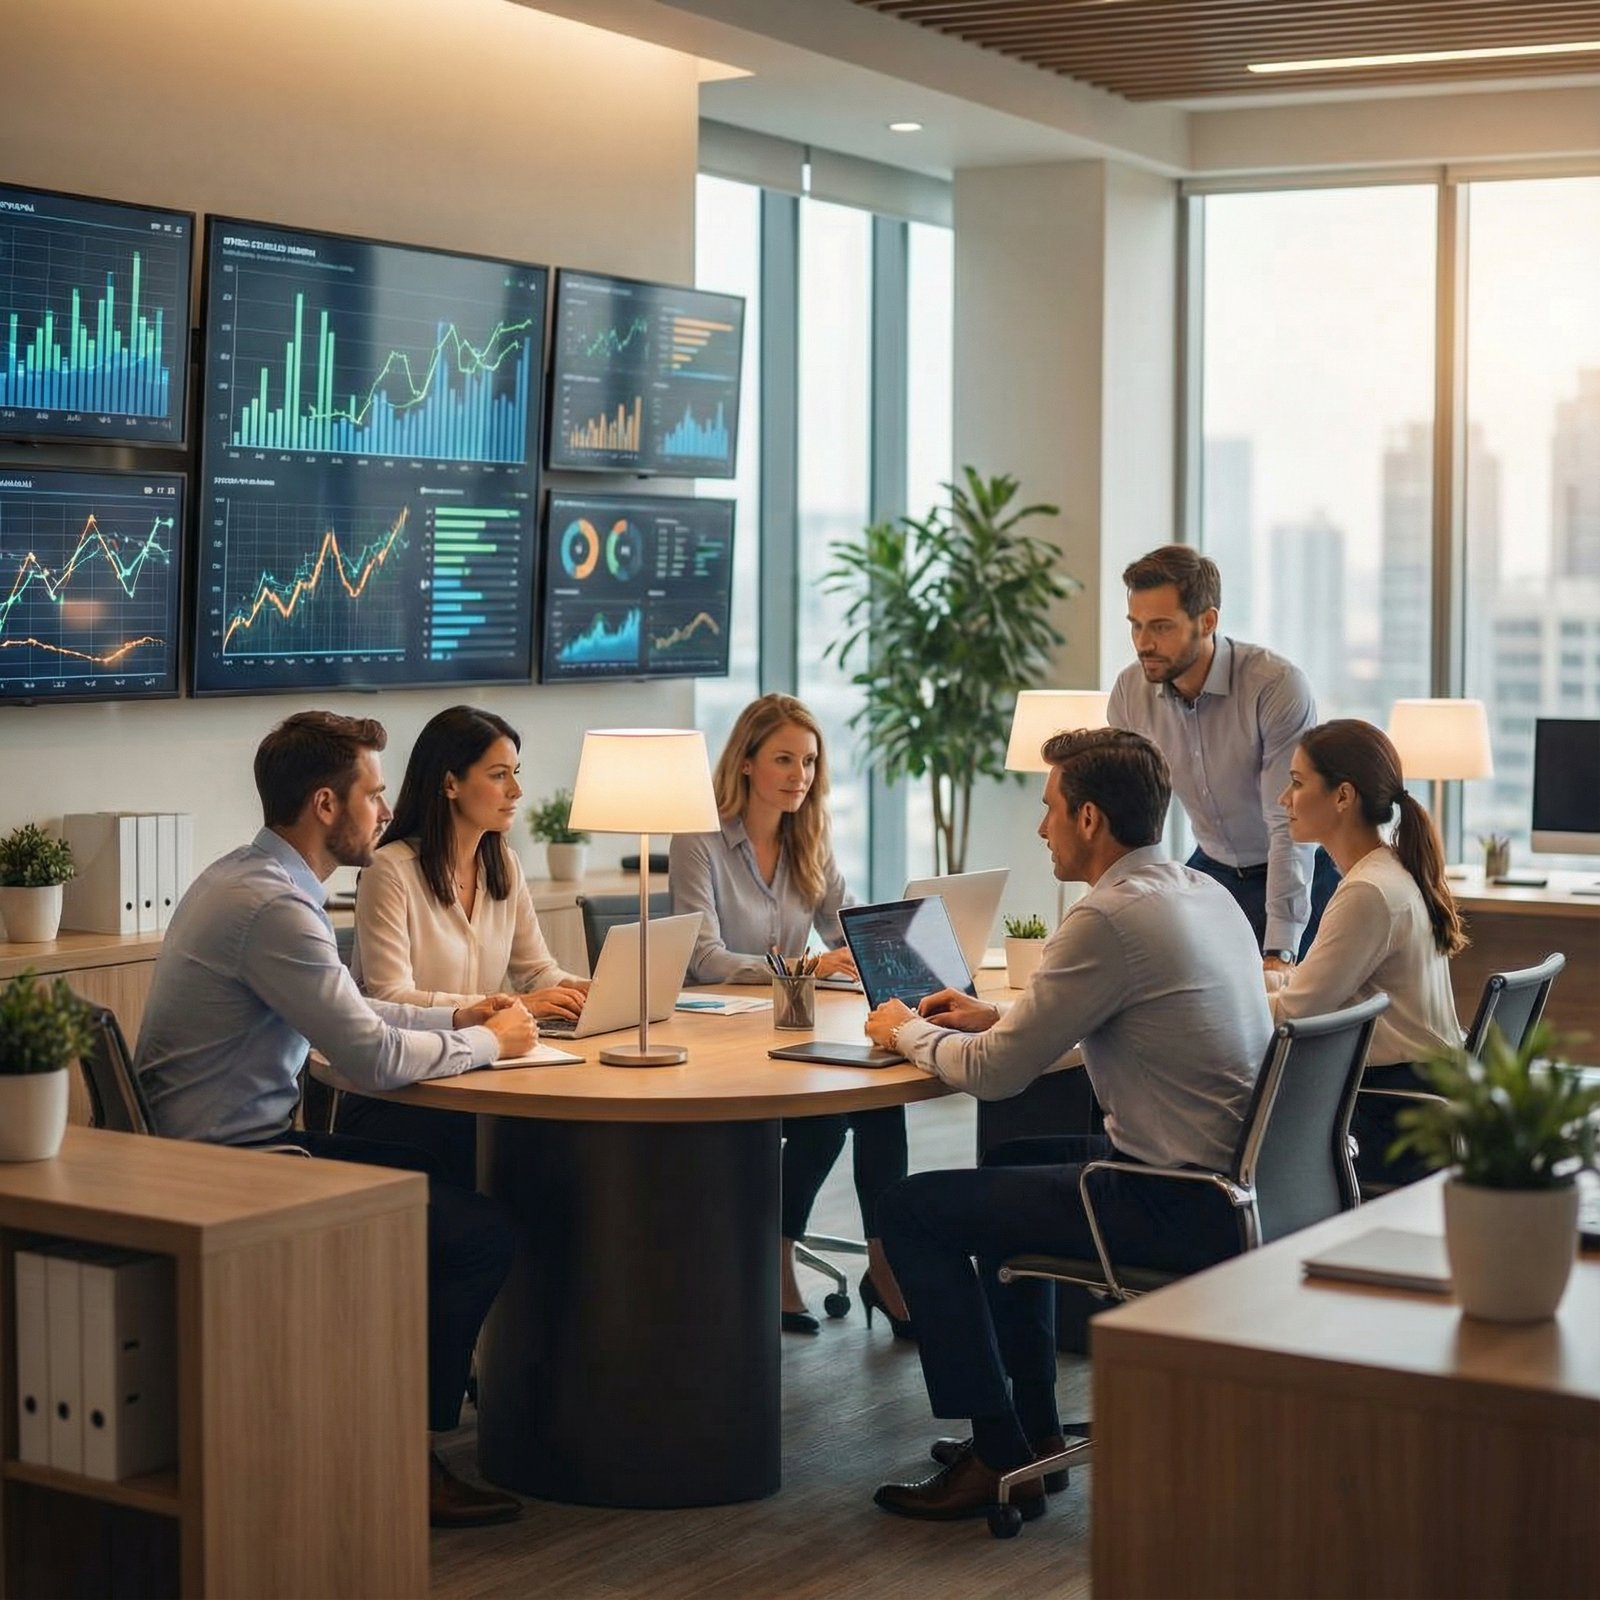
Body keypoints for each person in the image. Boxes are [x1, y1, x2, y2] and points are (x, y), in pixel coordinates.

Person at [134, 710, 537, 1529]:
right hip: (230, 1163)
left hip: (231, 1142)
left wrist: (466, 1017)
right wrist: (489, 1043)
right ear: (326, 804)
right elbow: (371, 1059)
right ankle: (408, 1456)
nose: (386, 812)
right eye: (374, 795)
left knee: (438, 1185)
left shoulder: (248, 879)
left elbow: (355, 1013)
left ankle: (382, 1426)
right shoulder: (276, 910)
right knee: (479, 1234)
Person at [861, 728, 1271, 1524]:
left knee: (911, 1208)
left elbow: (995, 1075)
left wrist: (900, 1030)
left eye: (1049, 809)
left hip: (1167, 1201)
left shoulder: (1107, 917)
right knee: (1014, 1163)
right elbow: (1109, 1020)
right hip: (1233, 1187)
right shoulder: (1198, 892)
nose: (1042, 827)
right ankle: (1036, 1431)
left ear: (1089, 819)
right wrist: (1000, 1014)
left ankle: (994, 1451)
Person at [669, 694, 912, 1338]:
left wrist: (879, 954)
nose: (799, 775)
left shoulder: (810, 840)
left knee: (881, 1098)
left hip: (794, 1027)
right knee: (826, 1121)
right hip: (718, 1033)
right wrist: (800, 967)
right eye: (783, 759)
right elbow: (704, 956)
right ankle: (774, 1263)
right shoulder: (699, 839)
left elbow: (844, 929)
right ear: (745, 762)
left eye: (808, 761)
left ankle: (885, 1268)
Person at [339, 705, 590, 1189]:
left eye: (515, 774)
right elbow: (390, 999)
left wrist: (582, 990)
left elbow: (537, 971)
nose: (516, 791)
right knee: (535, 1160)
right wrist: (511, 1006)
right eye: (499, 776)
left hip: (480, 1076)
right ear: (450, 783)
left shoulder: (505, 865)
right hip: (407, 1094)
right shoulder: (388, 871)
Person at [1106, 544, 1339, 973]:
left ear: (1207, 621)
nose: (1143, 643)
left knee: (1296, 1016)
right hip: (1214, 868)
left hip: (1301, 870)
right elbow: (1131, 821)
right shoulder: (1129, 693)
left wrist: (1281, 949)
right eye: (1135, 626)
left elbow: (1286, 821)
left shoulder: (1274, 686)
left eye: (1160, 626)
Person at [1272, 718, 1466, 1188]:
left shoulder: (1368, 892)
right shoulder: (1388, 871)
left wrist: (1214, 1003)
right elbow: (1314, 988)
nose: (1284, 798)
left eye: (1297, 783)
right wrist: (1256, 982)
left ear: (1343, 796)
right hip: (1420, 1097)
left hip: (1393, 1115)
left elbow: (1296, 1016)